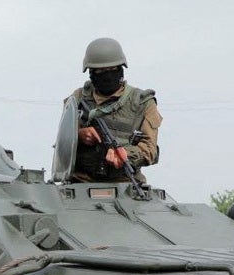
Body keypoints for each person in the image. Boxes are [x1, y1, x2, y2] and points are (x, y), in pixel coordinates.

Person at [67, 37, 162, 183]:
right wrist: (79, 135)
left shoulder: (143, 102)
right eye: (100, 71)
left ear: (121, 68)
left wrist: (125, 155)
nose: (107, 75)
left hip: (125, 184)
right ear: (91, 72)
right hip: (80, 182)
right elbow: (62, 142)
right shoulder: (77, 98)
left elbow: (150, 149)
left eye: (112, 69)